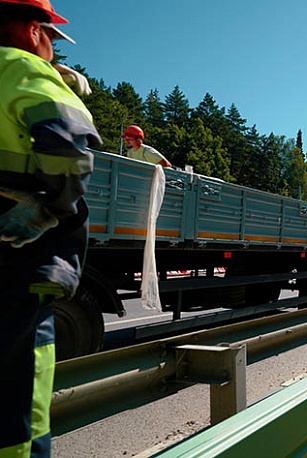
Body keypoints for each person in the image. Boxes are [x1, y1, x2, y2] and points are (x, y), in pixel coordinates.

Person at [0, 1, 101, 456]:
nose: (51, 51)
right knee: (20, 398)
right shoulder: (18, 67)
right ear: (29, 29)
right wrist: (51, 207)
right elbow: (70, 151)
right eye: (50, 37)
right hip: (15, 265)